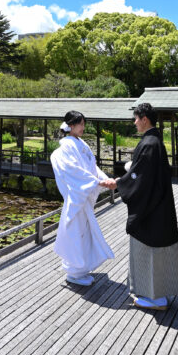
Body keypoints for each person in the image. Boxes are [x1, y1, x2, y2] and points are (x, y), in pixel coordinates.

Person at [100, 102, 178, 310]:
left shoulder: (149, 143)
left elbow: (141, 178)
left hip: (151, 210)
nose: (135, 123)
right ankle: (160, 293)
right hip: (159, 205)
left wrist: (118, 183)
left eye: (136, 119)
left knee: (149, 252)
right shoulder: (155, 141)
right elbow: (142, 173)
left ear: (144, 119)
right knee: (158, 252)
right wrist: (129, 175)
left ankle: (154, 298)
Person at [50, 110, 114, 286]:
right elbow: (74, 171)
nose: (82, 127)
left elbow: (91, 168)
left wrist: (103, 179)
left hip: (85, 196)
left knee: (83, 233)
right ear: (70, 125)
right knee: (76, 233)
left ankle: (81, 269)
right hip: (77, 197)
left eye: (84, 124)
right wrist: (98, 182)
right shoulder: (66, 148)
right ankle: (74, 271)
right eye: (80, 124)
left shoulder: (81, 144)